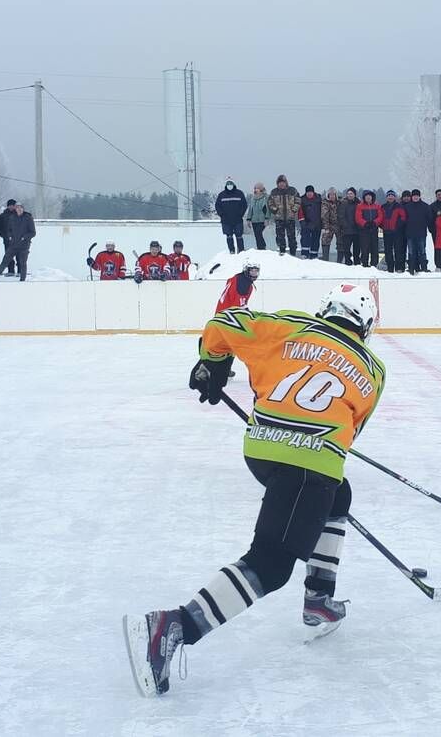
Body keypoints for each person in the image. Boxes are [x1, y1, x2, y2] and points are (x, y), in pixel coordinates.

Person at [124, 285, 384, 696]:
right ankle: (174, 625)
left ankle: (319, 597)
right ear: (365, 326)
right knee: (272, 564)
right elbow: (349, 436)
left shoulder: (287, 326)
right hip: (311, 464)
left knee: (339, 495)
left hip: (260, 450)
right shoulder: (373, 369)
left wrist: (213, 362)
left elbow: (223, 320)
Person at [0, 202, 35, 281]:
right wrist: (10, 236)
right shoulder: (12, 217)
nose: (19, 209)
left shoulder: (28, 218)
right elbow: (9, 230)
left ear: (23, 209)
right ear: (15, 209)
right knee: (5, 261)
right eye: (17, 208)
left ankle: (22, 279)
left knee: (22, 263)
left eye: (20, 207)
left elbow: (33, 232)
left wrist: (24, 237)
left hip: (24, 245)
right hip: (13, 244)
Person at [268, 176, 301, 257]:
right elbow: (270, 203)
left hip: (290, 218)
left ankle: (293, 254)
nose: (282, 184)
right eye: (280, 183)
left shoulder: (292, 190)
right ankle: (282, 253)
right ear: (278, 183)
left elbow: (298, 201)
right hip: (279, 218)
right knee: (280, 237)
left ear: (286, 182)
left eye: (283, 182)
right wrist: (275, 210)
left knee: (291, 237)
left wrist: (294, 210)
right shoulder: (274, 192)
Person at [215, 179, 249, 253]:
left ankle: (241, 251)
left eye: (231, 184)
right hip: (226, 220)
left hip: (238, 220)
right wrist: (222, 215)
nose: (229, 186)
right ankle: (231, 251)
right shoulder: (221, 195)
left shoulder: (239, 193)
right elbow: (217, 206)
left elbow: (244, 205)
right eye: (228, 184)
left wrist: (240, 214)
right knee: (229, 236)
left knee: (239, 236)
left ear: (233, 184)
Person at [404, 188, 432, 273]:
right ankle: (411, 268)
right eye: (414, 196)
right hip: (410, 233)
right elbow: (403, 219)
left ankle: (424, 267)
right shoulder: (407, 207)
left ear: (419, 196)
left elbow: (430, 218)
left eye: (417, 196)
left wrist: (424, 225)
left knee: (422, 251)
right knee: (411, 251)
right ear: (412, 197)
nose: (415, 197)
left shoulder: (425, 206)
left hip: (421, 233)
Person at [379, 191, 407, 273]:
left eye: (392, 196)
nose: (390, 197)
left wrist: (397, 226)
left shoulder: (399, 206)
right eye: (389, 196)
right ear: (386, 197)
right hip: (386, 232)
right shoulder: (383, 206)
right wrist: (382, 225)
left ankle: (398, 268)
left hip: (397, 232)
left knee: (398, 250)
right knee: (388, 251)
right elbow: (380, 217)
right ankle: (390, 268)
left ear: (394, 197)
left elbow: (403, 217)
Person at [354, 191, 381, 268]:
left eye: (370, 196)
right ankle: (364, 264)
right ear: (364, 198)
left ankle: (374, 264)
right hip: (364, 230)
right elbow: (358, 217)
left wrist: (375, 222)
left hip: (374, 229)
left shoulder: (377, 206)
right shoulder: (360, 206)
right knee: (364, 248)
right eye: (366, 196)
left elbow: (380, 216)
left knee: (374, 248)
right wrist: (364, 223)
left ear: (372, 197)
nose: (368, 197)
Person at [336, 186, 359, 265]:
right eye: (348, 193)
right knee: (346, 248)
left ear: (354, 195)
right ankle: (348, 262)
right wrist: (345, 225)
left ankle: (357, 263)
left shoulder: (358, 203)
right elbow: (340, 216)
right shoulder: (343, 203)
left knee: (357, 249)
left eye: (351, 193)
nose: (350, 195)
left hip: (356, 230)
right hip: (346, 230)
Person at [298, 186, 322, 260]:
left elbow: (323, 211)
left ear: (313, 192)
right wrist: (302, 223)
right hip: (306, 223)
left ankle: (314, 255)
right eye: (308, 192)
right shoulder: (302, 200)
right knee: (305, 239)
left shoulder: (319, 199)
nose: (309, 194)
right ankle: (304, 254)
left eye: (310, 192)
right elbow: (300, 212)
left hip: (317, 224)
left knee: (315, 240)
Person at [247, 183, 271, 252]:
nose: (255, 190)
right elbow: (250, 209)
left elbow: (267, 209)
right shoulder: (253, 198)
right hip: (254, 220)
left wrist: (267, 218)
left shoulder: (265, 198)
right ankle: (259, 248)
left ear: (261, 189)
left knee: (258, 233)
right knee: (256, 235)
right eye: (254, 188)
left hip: (262, 220)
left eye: (256, 188)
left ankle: (263, 247)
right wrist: (248, 219)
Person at [0, 200, 19, 277]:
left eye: (12, 205)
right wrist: (3, 235)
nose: (11, 207)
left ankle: (20, 270)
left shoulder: (19, 214)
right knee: (8, 255)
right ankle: (10, 270)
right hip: (7, 238)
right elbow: (0, 226)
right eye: (9, 205)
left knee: (19, 255)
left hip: (18, 238)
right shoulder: (3, 215)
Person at [320, 188, 339, 263]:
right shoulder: (325, 203)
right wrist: (326, 227)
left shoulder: (339, 202)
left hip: (338, 225)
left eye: (333, 194)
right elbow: (324, 216)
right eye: (330, 195)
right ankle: (325, 259)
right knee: (325, 240)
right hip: (328, 225)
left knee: (341, 242)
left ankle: (339, 261)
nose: (332, 196)